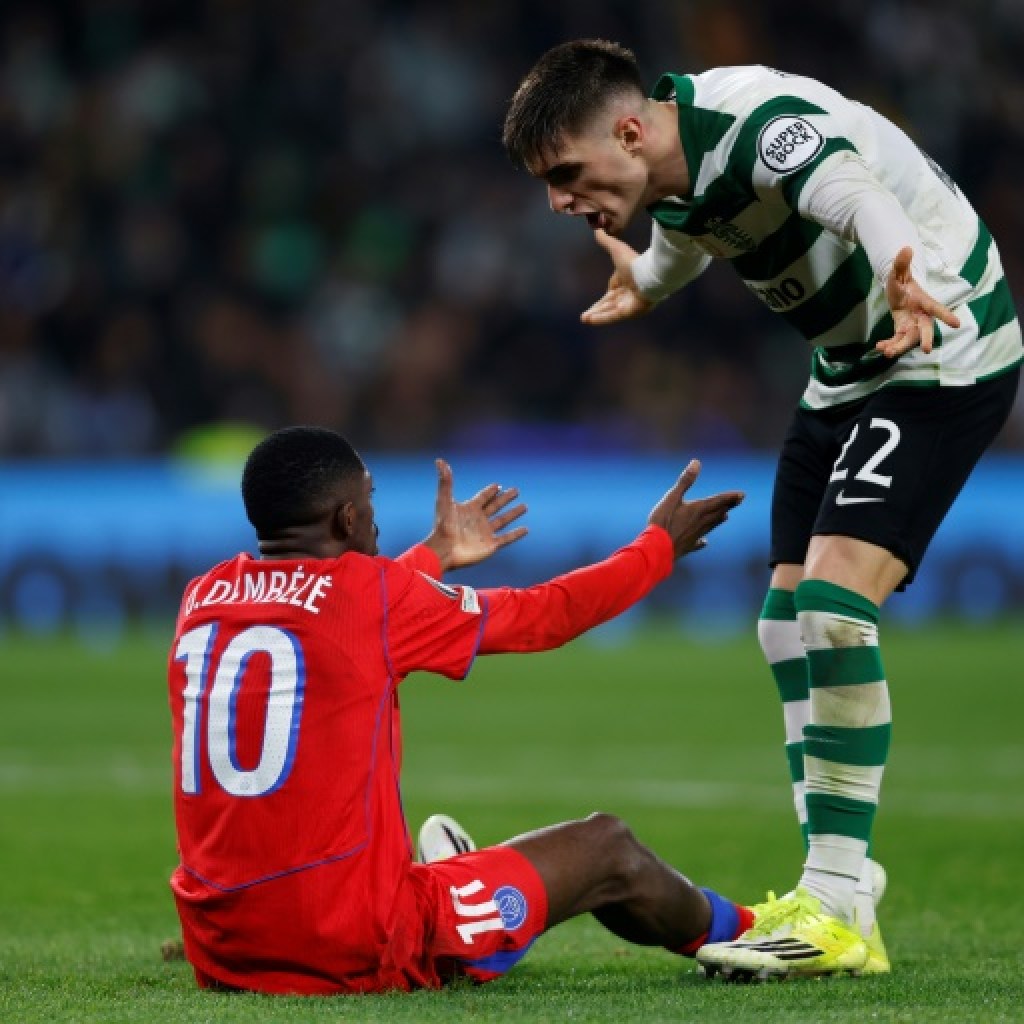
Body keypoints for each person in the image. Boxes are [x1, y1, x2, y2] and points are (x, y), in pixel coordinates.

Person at [502, 39, 1022, 980]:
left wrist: (899, 261)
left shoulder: (759, 130)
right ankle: (840, 890)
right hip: (847, 370)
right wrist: (647, 284)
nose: (559, 202)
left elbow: (852, 192)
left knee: (833, 603)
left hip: (939, 341)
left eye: (566, 173)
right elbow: (693, 237)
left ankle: (834, 900)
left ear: (628, 129)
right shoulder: (669, 166)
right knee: (785, 626)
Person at [167, 425, 747, 995]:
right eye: (369, 499)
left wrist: (436, 553)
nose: (375, 516)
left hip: (222, 948)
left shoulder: (203, 598)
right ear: (346, 518)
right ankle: (748, 931)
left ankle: (458, 881)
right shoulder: (375, 599)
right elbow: (548, 614)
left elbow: (342, 607)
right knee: (608, 847)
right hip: (352, 943)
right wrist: (657, 547)